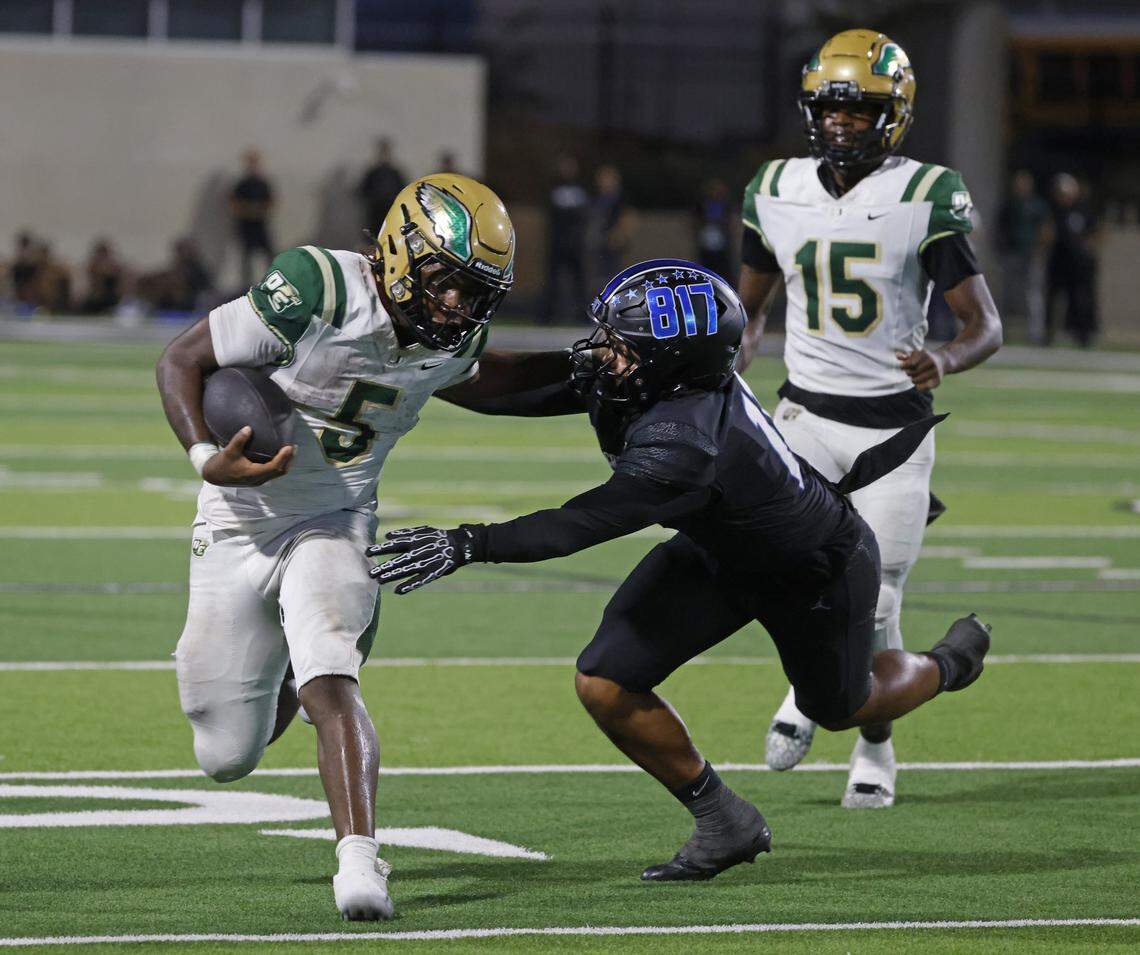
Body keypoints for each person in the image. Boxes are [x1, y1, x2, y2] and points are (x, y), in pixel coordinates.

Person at [367, 259, 992, 882]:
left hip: (814, 570)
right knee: (606, 681)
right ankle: (725, 820)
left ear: (669, 365)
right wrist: (410, 360)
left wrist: (469, 543)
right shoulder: (656, 376)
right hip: (720, 551)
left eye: (620, 345)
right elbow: (512, 383)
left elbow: (581, 523)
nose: (601, 352)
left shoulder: (685, 439)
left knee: (841, 706)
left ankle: (947, 664)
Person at [156, 173, 571, 920]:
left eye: (476, 293)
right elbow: (181, 361)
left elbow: (489, 383)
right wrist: (204, 456)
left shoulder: (453, 339)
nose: (458, 305)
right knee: (226, 755)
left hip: (336, 520)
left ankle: (358, 859)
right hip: (237, 517)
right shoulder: (318, 287)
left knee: (331, 678)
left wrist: (593, 372)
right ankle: (290, 666)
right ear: (401, 251)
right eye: (448, 281)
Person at [735, 30, 1002, 808]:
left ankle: (868, 740)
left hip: (892, 430)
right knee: (780, 569)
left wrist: (946, 358)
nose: (841, 122)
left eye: (859, 110)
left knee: (877, 600)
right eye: (830, 108)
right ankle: (829, 700)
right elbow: (748, 307)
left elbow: (984, 324)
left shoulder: (923, 194)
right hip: (803, 417)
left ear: (896, 115)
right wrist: (733, 345)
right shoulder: (776, 187)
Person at [1046, 173, 1098, 348]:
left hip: (1078, 264)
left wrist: (1087, 250)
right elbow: (1046, 233)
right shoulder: (1054, 211)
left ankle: (1083, 335)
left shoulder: (1083, 210)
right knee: (1053, 298)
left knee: (1079, 299)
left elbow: (1096, 232)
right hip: (1058, 262)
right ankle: (1048, 333)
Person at [998, 170, 1049, 343]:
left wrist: (1040, 252)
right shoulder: (1009, 205)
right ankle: (1000, 331)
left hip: (1031, 254)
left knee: (1033, 295)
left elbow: (1045, 230)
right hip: (1011, 254)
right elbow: (1000, 228)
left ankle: (1035, 334)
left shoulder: (1037, 205)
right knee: (1006, 294)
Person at [539, 154, 590, 325]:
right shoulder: (553, 189)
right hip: (557, 243)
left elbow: (583, 216)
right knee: (552, 281)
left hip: (575, 244)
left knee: (579, 282)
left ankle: (583, 315)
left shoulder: (580, 190)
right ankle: (548, 315)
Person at [230, 150, 275, 289]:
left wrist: (259, 210)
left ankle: (273, 282)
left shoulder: (262, 184)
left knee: (269, 254)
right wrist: (248, 210)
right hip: (246, 225)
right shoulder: (242, 184)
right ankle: (246, 285)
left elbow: (270, 201)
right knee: (247, 257)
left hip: (260, 225)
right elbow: (234, 202)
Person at [592, 164, 637, 289]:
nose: (604, 182)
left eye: (607, 178)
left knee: (615, 276)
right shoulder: (597, 199)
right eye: (601, 178)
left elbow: (629, 218)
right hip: (599, 245)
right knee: (600, 279)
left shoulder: (621, 198)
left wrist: (621, 235)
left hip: (615, 245)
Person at [357, 138, 406, 236]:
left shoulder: (394, 173)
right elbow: (362, 191)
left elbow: (403, 191)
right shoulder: (373, 173)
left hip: (390, 211)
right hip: (375, 213)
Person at [693, 178, 734, 280]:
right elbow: (696, 221)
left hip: (721, 240)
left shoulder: (724, 205)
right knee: (707, 265)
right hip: (706, 239)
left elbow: (729, 222)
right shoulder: (702, 204)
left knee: (723, 266)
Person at [80, 238, 128, 315]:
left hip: (110, 298)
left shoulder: (114, 267)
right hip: (96, 299)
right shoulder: (92, 266)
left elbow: (120, 285)